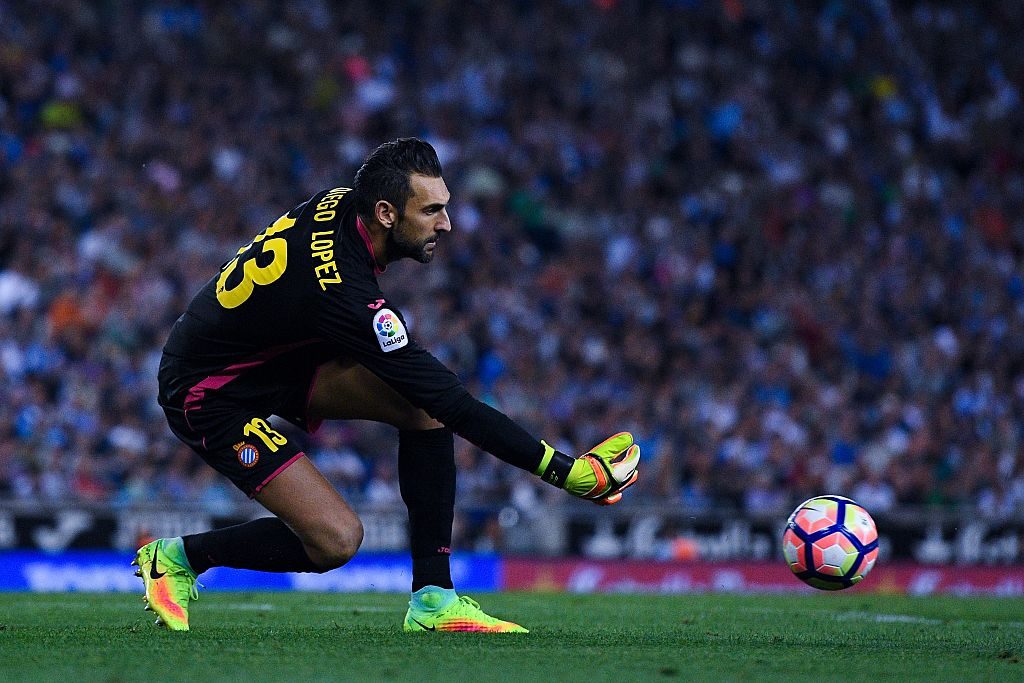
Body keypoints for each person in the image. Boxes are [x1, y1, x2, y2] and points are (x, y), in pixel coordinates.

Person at [135, 138, 640, 632]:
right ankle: (178, 558)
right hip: (207, 392)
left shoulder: (344, 205)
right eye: (431, 211)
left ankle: (435, 601)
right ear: (384, 213)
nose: (445, 223)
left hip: (275, 361)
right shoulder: (345, 295)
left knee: (424, 410)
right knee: (336, 541)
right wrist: (567, 473)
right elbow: (453, 400)